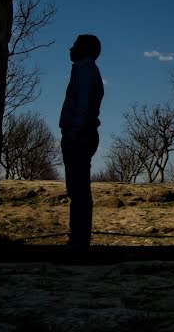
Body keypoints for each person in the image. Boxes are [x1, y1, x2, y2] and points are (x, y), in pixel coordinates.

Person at [59, 34, 104, 252]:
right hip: (82, 133)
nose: (71, 48)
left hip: (80, 135)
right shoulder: (86, 70)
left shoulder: (84, 71)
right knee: (78, 189)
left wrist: (72, 132)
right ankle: (78, 239)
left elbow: (82, 106)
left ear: (84, 49)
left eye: (75, 44)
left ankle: (78, 241)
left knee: (79, 190)